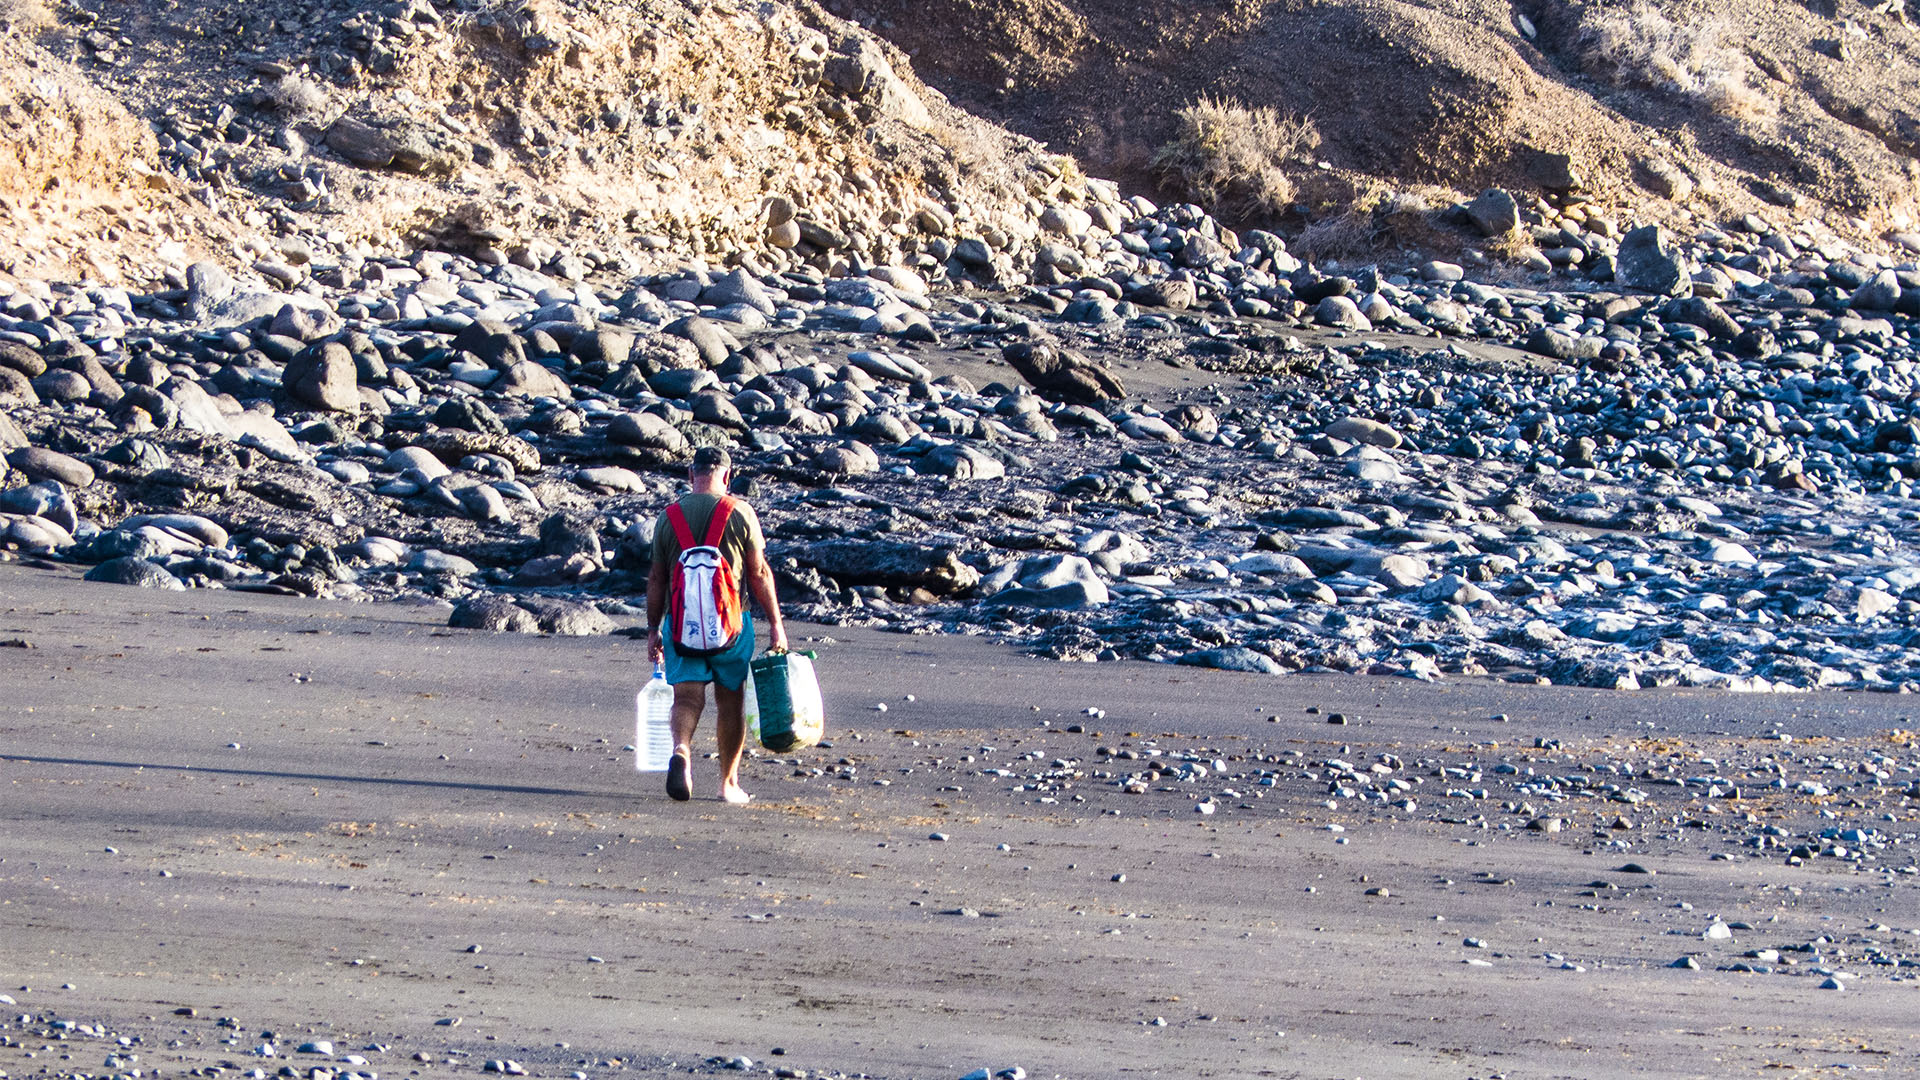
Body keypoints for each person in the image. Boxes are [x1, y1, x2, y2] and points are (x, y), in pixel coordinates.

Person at [646, 446, 787, 804]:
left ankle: (680, 751)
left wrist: (652, 629)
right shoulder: (741, 513)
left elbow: (657, 579)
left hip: (681, 626)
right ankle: (728, 784)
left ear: (691, 475)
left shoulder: (669, 516)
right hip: (733, 628)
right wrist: (776, 624)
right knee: (730, 701)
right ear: (727, 476)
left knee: (687, 698)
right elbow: (758, 574)